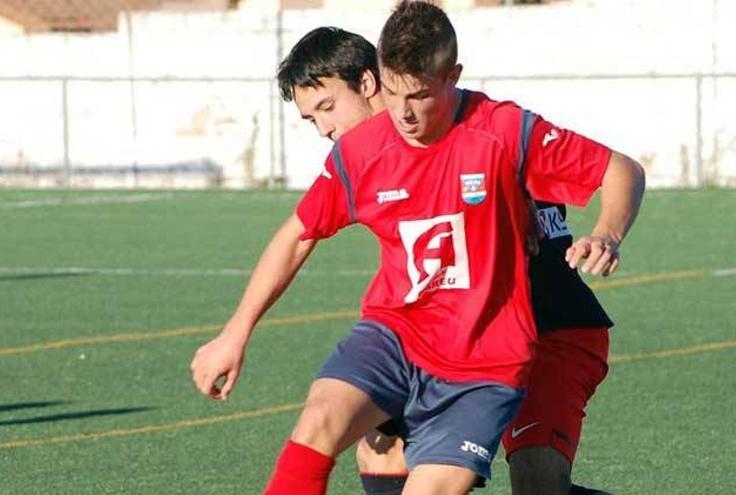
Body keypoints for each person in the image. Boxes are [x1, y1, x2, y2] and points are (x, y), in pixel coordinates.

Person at [190, 3, 644, 495]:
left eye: (326, 108)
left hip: (541, 329)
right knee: (371, 441)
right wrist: (235, 333)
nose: (323, 128)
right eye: (310, 118)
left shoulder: (498, 134)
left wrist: (600, 232)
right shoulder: (361, 154)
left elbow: (608, 173)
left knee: (537, 482)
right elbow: (299, 234)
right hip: (424, 335)